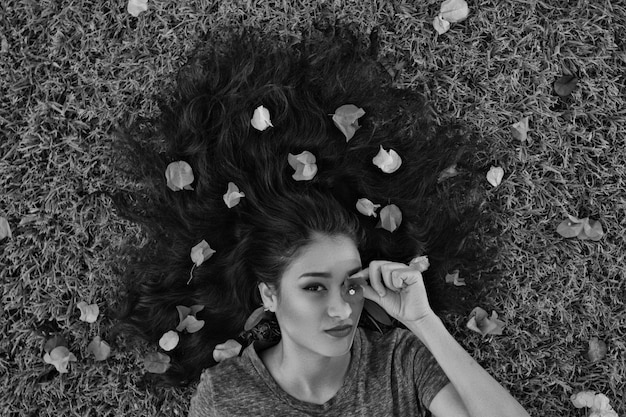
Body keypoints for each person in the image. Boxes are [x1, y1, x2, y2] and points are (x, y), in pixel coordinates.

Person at [112, 27, 529, 416]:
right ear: (269, 295)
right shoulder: (226, 397)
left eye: (351, 283)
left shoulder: (401, 362)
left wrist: (424, 324)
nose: (341, 307)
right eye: (314, 286)